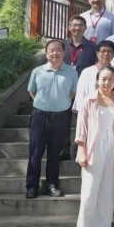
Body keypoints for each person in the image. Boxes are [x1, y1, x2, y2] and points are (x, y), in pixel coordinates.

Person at [74, 66, 114, 227]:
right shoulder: (89, 100)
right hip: (93, 147)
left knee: (107, 192)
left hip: (112, 146)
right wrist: (82, 150)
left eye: (111, 79)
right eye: (103, 79)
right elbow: (82, 128)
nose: (106, 82)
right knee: (89, 192)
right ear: (97, 80)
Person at [26, 40, 78, 199]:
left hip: (60, 118)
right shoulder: (37, 71)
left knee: (55, 154)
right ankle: (32, 186)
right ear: (46, 53)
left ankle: (51, 185)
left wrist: (59, 104)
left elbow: (73, 93)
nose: (55, 53)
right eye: (51, 50)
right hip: (40, 117)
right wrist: (44, 104)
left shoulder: (71, 72)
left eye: (58, 50)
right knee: (35, 153)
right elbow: (32, 91)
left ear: (64, 53)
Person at [74, 41, 114, 112]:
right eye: (103, 51)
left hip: (112, 110)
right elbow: (81, 95)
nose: (106, 54)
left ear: (113, 54)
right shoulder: (87, 72)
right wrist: (82, 112)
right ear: (97, 53)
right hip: (91, 111)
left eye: (109, 51)